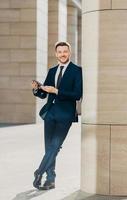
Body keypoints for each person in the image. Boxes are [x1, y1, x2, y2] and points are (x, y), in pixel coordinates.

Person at [31, 41, 82, 190]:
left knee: (55, 146)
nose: (62, 54)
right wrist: (37, 89)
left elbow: (77, 94)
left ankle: (39, 172)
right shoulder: (52, 70)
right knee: (49, 147)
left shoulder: (77, 70)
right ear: (56, 54)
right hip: (50, 114)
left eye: (65, 51)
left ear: (69, 52)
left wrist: (57, 92)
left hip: (65, 115)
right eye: (59, 52)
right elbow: (44, 93)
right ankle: (50, 179)